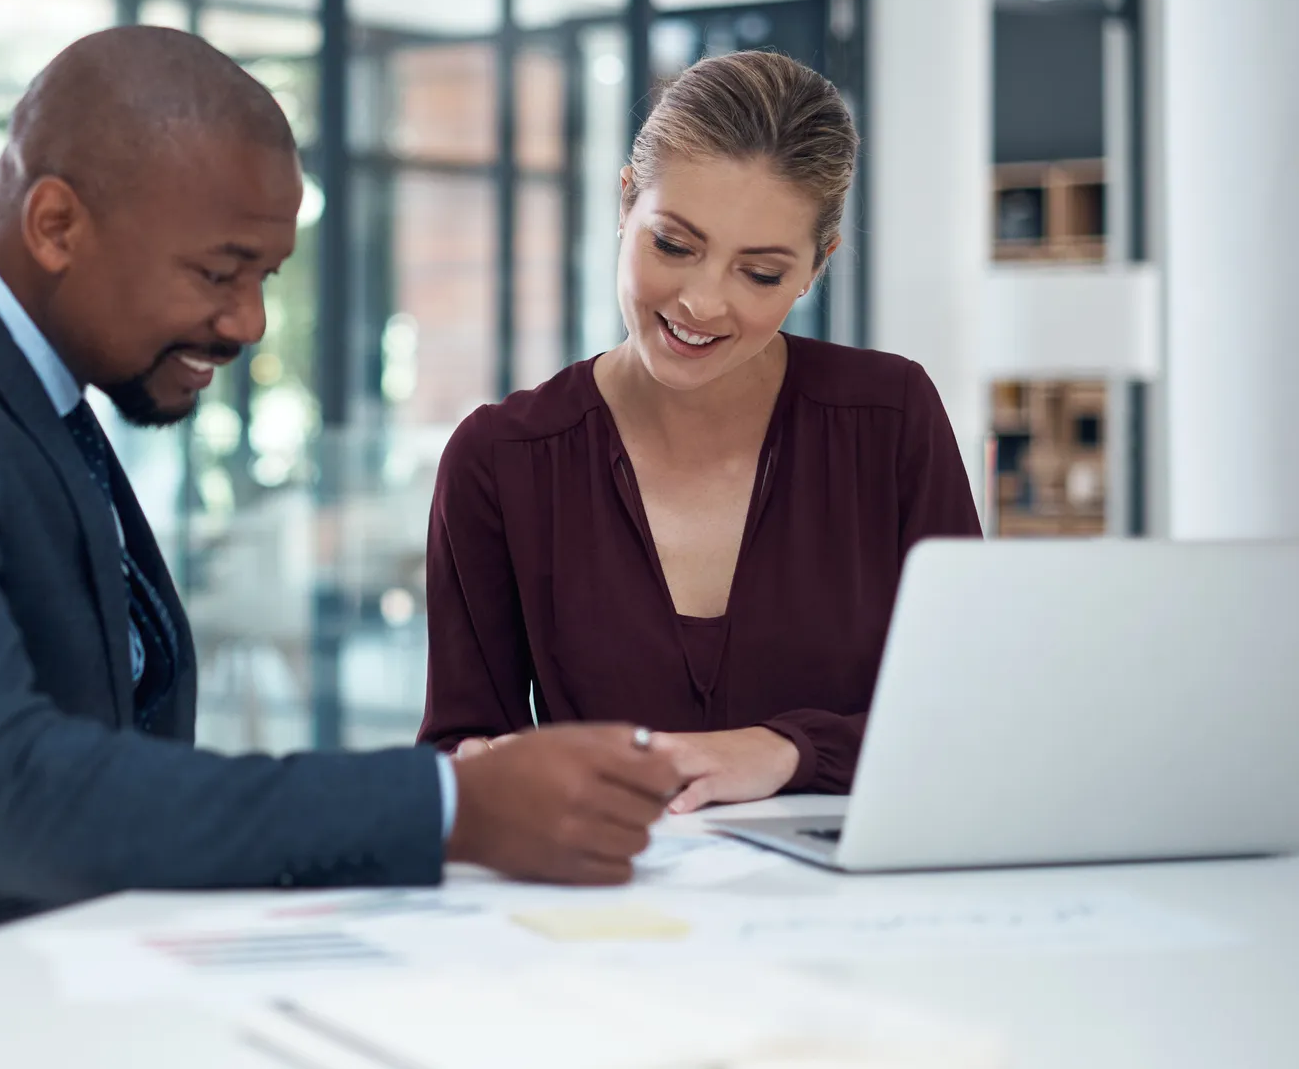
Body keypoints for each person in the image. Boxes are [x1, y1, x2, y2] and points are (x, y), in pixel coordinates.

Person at [0, 26, 682, 1013]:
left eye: (263, 278)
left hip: (55, 969)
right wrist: (455, 807)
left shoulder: (12, 385)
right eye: (216, 272)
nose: (246, 322)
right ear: (56, 224)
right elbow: (3, 792)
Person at [418, 50, 981, 813]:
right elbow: (462, 750)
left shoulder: (888, 418)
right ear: (625, 202)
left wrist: (784, 750)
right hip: (607, 906)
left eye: (760, 273)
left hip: (856, 911)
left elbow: (966, 714)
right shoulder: (499, 460)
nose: (701, 304)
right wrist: (489, 771)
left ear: (817, 266)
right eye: (674, 245)